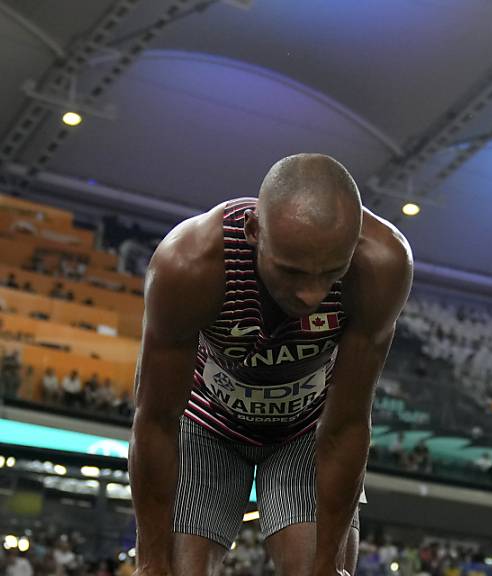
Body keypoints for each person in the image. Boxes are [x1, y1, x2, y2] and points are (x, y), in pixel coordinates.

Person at [130, 153, 414, 575]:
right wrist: (151, 562)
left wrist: (327, 566)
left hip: (306, 432)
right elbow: (156, 421)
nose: (311, 296)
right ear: (252, 232)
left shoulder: (382, 266)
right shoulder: (188, 265)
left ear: (354, 245)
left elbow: (348, 424)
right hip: (208, 422)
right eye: (292, 272)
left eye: (331, 273)